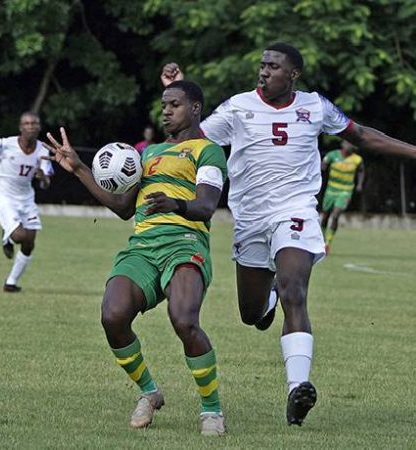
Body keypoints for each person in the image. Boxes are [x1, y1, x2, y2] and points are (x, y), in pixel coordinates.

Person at [161, 42, 416, 426]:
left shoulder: (315, 106)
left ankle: (298, 388)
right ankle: (269, 298)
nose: (264, 71)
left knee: (296, 290)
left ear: (293, 74)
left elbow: (362, 134)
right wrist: (182, 92)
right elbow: (190, 138)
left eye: (273, 66)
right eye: (262, 65)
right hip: (249, 219)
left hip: (295, 211)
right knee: (252, 315)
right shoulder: (237, 107)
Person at [44, 80, 228, 436]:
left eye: (174, 104)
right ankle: (149, 392)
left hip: (184, 241)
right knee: (112, 316)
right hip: (143, 246)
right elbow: (123, 207)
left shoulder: (207, 151)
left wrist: (175, 204)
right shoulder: (147, 153)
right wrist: (79, 167)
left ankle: (211, 410)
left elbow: (206, 206)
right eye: (164, 105)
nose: (166, 110)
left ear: (194, 108)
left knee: (184, 320)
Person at [0, 111, 53, 293]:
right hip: (3, 190)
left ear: (39, 127)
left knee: (29, 241)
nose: (30, 126)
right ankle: (7, 232)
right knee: (19, 236)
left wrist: (43, 177)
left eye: (34, 123)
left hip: (25, 195)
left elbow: (46, 184)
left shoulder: (43, 150)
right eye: (26, 124)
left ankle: (11, 282)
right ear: (21, 127)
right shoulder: (6, 144)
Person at [320, 140, 365, 253]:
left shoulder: (357, 159)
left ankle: (328, 242)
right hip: (331, 189)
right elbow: (322, 166)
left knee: (335, 215)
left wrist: (359, 184)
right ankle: (322, 239)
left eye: (352, 144)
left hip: (345, 190)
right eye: (348, 143)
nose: (351, 145)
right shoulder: (332, 155)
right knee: (325, 216)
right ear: (343, 144)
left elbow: (361, 171)